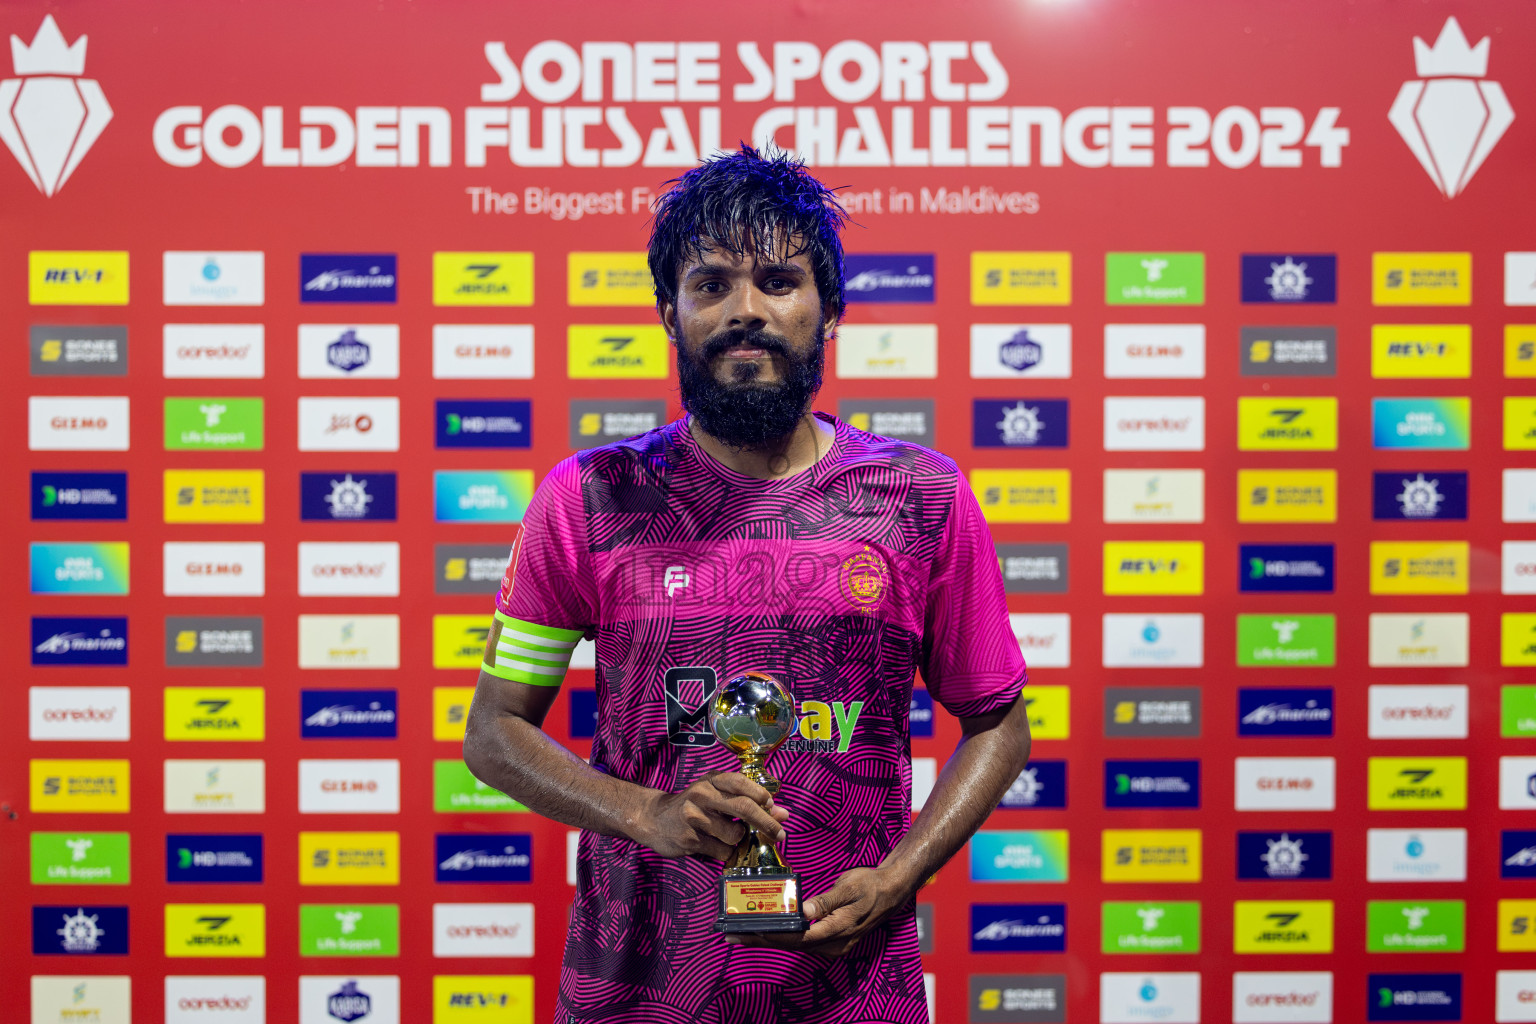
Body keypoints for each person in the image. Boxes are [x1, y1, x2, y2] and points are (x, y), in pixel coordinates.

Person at [463, 145, 1032, 1024]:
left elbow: (995, 722)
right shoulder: (587, 499)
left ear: (829, 308)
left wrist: (898, 876)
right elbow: (495, 734)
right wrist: (649, 812)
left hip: (854, 991)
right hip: (635, 992)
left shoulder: (922, 497)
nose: (746, 311)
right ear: (669, 310)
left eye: (777, 280)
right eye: (711, 284)